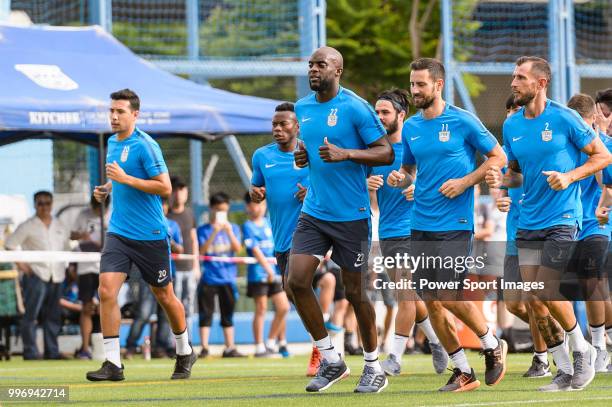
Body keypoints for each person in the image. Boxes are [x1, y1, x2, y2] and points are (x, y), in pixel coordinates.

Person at [486, 57, 609, 391]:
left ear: (540, 83)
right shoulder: (512, 126)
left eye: (520, 77)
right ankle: (565, 368)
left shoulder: (565, 117)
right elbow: (515, 174)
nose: (513, 83)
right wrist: (499, 180)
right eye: (513, 76)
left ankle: (583, 350)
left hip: (563, 219)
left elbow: (603, 156)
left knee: (545, 290)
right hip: (528, 222)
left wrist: (568, 177)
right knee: (535, 301)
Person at [387, 57, 508, 392]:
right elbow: (409, 171)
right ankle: (464, 371)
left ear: (438, 85)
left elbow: (498, 157)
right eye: (412, 84)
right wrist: (400, 179)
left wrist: (466, 182)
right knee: (431, 299)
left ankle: (491, 343)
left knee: (449, 295)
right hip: (420, 222)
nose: (414, 91)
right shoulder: (410, 126)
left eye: (420, 85)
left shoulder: (462, 120)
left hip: (455, 222)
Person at [289, 46, 393, 393]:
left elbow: (386, 152)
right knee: (296, 281)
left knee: (356, 294)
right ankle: (330, 358)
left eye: (321, 64)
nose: (313, 69)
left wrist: (346, 153)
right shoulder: (302, 107)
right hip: (315, 212)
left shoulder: (355, 108)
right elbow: (311, 150)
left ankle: (373, 366)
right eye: (311, 64)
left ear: (338, 71)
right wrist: (305, 158)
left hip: (353, 216)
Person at [86, 89, 196, 382]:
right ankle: (112, 363)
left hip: (150, 235)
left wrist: (125, 179)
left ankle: (184, 351)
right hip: (119, 233)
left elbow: (165, 187)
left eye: (120, 111)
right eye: (111, 110)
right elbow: (118, 177)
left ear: (135, 114)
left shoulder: (146, 145)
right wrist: (108, 187)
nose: (113, 116)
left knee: (165, 295)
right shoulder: (111, 142)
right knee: (106, 290)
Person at [367, 88, 448, 376]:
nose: (379, 117)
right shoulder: (373, 151)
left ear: (401, 115)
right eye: (376, 112)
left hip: (415, 231)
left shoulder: (417, 147)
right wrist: (366, 188)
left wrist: (419, 188)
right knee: (411, 296)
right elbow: (355, 186)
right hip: (387, 231)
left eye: (385, 112)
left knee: (405, 295)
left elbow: (441, 179)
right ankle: (437, 341)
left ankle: (395, 357)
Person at [495, 95, 550, 379]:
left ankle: (541, 358)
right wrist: (501, 199)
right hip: (512, 234)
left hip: (537, 229)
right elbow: (504, 189)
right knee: (513, 303)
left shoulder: (536, 146)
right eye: (509, 111)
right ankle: (554, 335)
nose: (512, 115)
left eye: (516, 110)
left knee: (533, 298)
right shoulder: (504, 153)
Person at [249, 101, 309, 360]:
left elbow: (332, 183)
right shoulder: (262, 156)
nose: (277, 128)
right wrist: (256, 193)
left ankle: (328, 346)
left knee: (327, 283)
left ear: (297, 126)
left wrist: (313, 193)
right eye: (274, 124)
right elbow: (256, 190)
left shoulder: (311, 153)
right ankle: (327, 341)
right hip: (282, 238)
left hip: (313, 233)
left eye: (283, 124)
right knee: (292, 292)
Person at [566, 93, 611, 373]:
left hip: (595, 225)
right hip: (566, 223)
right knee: (581, 288)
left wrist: (603, 206)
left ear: (593, 119)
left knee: (591, 281)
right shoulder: (565, 146)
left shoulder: (604, 145)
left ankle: (598, 348)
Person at [5, 190, 71, 360]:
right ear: (35, 205)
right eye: (40, 203)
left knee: (53, 317)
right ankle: (31, 352)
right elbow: (10, 245)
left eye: (47, 203)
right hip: (36, 275)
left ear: (52, 204)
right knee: (31, 316)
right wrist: (23, 266)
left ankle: (52, 352)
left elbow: (66, 249)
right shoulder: (28, 225)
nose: (44, 207)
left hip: (56, 275)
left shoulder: (60, 225)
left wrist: (66, 269)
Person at [243, 192, 290, 357]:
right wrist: (268, 269)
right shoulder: (248, 226)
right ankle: (258, 347)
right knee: (261, 308)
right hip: (258, 274)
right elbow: (255, 250)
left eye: (262, 204)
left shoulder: (269, 222)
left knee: (283, 307)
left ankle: (270, 342)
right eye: (256, 204)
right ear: (249, 206)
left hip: (275, 272)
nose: (260, 208)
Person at [196, 192, 243, 358]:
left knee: (227, 313)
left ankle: (229, 347)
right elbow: (201, 251)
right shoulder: (203, 230)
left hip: (228, 277)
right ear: (211, 209)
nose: (220, 213)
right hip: (209, 277)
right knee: (206, 313)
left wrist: (228, 231)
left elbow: (237, 248)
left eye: (223, 210)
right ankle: (204, 347)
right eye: (217, 210)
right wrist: (214, 232)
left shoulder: (234, 228)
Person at [71, 193, 109, 360]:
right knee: (87, 307)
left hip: (106, 267)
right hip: (86, 267)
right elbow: (72, 235)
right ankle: (85, 348)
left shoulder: (112, 216)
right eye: (95, 207)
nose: (97, 211)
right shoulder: (83, 215)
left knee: (105, 306)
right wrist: (82, 236)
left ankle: (105, 347)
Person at [167, 176, 199, 333]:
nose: (178, 193)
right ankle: (173, 341)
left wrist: (196, 265)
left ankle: (189, 340)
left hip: (189, 268)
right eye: (175, 190)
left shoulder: (190, 214)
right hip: (172, 270)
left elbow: (194, 240)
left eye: (182, 189)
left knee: (189, 306)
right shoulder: (165, 216)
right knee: (174, 304)